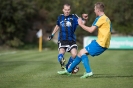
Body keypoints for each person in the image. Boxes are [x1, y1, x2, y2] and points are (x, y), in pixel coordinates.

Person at [57, 2, 112, 78]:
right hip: (102, 42)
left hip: (101, 43)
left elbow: (90, 30)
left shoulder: (101, 18)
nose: (94, 11)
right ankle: (68, 71)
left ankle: (89, 72)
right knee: (80, 54)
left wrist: (81, 24)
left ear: (98, 10)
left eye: (95, 9)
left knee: (82, 52)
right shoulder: (106, 18)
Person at [48, 3, 88, 69]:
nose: (67, 11)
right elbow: (57, 26)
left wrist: (85, 19)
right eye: (65, 10)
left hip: (71, 40)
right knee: (62, 52)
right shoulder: (60, 17)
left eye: (68, 10)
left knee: (74, 54)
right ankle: (61, 61)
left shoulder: (74, 17)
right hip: (62, 39)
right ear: (63, 10)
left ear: (70, 10)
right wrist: (52, 35)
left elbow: (82, 23)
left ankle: (67, 67)